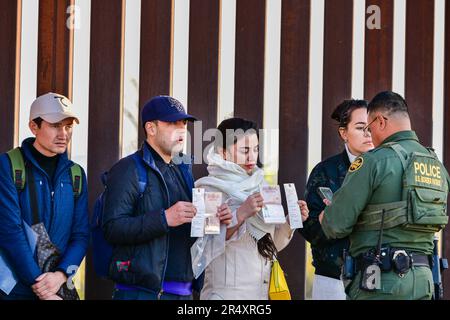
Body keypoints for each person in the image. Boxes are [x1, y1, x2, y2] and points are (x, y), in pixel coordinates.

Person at [320, 91, 449, 300]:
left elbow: (335, 225)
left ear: (380, 121)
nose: (370, 136)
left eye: (369, 129)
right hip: (425, 280)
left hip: (381, 281)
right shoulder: (436, 165)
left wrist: (326, 215)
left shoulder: (374, 161)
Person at [102, 95, 232, 300]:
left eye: (183, 123)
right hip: (141, 293)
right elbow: (112, 228)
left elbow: (189, 227)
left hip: (184, 293)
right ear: (151, 128)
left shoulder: (183, 169)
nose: (181, 129)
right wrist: (164, 219)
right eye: (172, 123)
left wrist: (213, 218)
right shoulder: (127, 169)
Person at [192, 118, 309, 300]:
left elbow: (272, 246)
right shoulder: (210, 189)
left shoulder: (262, 184)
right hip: (225, 296)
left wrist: (291, 222)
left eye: (255, 150)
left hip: (260, 294)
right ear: (223, 152)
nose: (252, 157)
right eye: (244, 150)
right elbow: (205, 246)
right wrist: (240, 214)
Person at [0, 92, 89, 300]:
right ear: (34, 126)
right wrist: (41, 286)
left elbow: (81, 235)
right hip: (14, 290)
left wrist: (62, 274)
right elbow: (9, 232)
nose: (63, 134)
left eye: (68, 126)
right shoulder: (9, 166)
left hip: (58, 286)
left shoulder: (75, 174)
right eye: (55, 125)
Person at [301, 100, 374, 300]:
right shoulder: (325, 171)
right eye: (360, 128)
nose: (368, 133)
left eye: (371, 127)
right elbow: (308, 227)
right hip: (333, 278)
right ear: (344, 133)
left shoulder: (386, 170)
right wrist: (330, 220)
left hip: (376, 275)